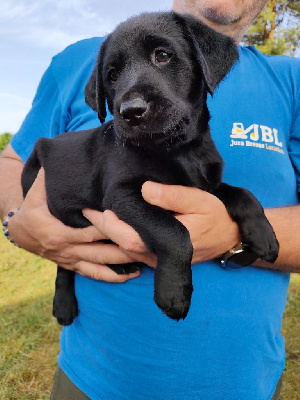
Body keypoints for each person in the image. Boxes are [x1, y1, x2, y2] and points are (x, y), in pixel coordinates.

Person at [0, 0, 299, 398]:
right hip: (94, 383)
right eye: (114, 77)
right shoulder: (76, 60)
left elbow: (214, 193)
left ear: (204, 66)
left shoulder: (289, 80)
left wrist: (233, 230)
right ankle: (63, 283)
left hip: (250, 383)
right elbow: (14, 163)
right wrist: (18, 219)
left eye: (162, 56)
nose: (132, 98)